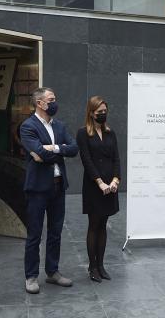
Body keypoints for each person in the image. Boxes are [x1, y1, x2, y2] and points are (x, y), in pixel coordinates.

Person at [20, 87, 79, 294]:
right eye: (51, 99)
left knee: (55, 232)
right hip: (37, 188)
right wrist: (56, 150)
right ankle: (31, 276)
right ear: (39, 103)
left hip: (58, 185)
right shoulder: (28, 126)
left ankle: (52, 272)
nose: (54, 102)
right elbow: (37, 153)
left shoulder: (60, 125)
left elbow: (73, 149)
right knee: (34, 234)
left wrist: (52, 148)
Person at [76, 96, 121, 282]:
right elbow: (87, 160)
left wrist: (116, 180)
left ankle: (101, 265)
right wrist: (100, 182)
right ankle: (92, 267)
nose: (103, 114)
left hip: (111, 186)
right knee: (94, 225)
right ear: (91, 113)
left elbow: (116, 158)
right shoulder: (83, 133)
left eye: (105, 111)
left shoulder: (111, 133)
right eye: (99, 112)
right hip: (94, 186)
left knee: (104, 225)